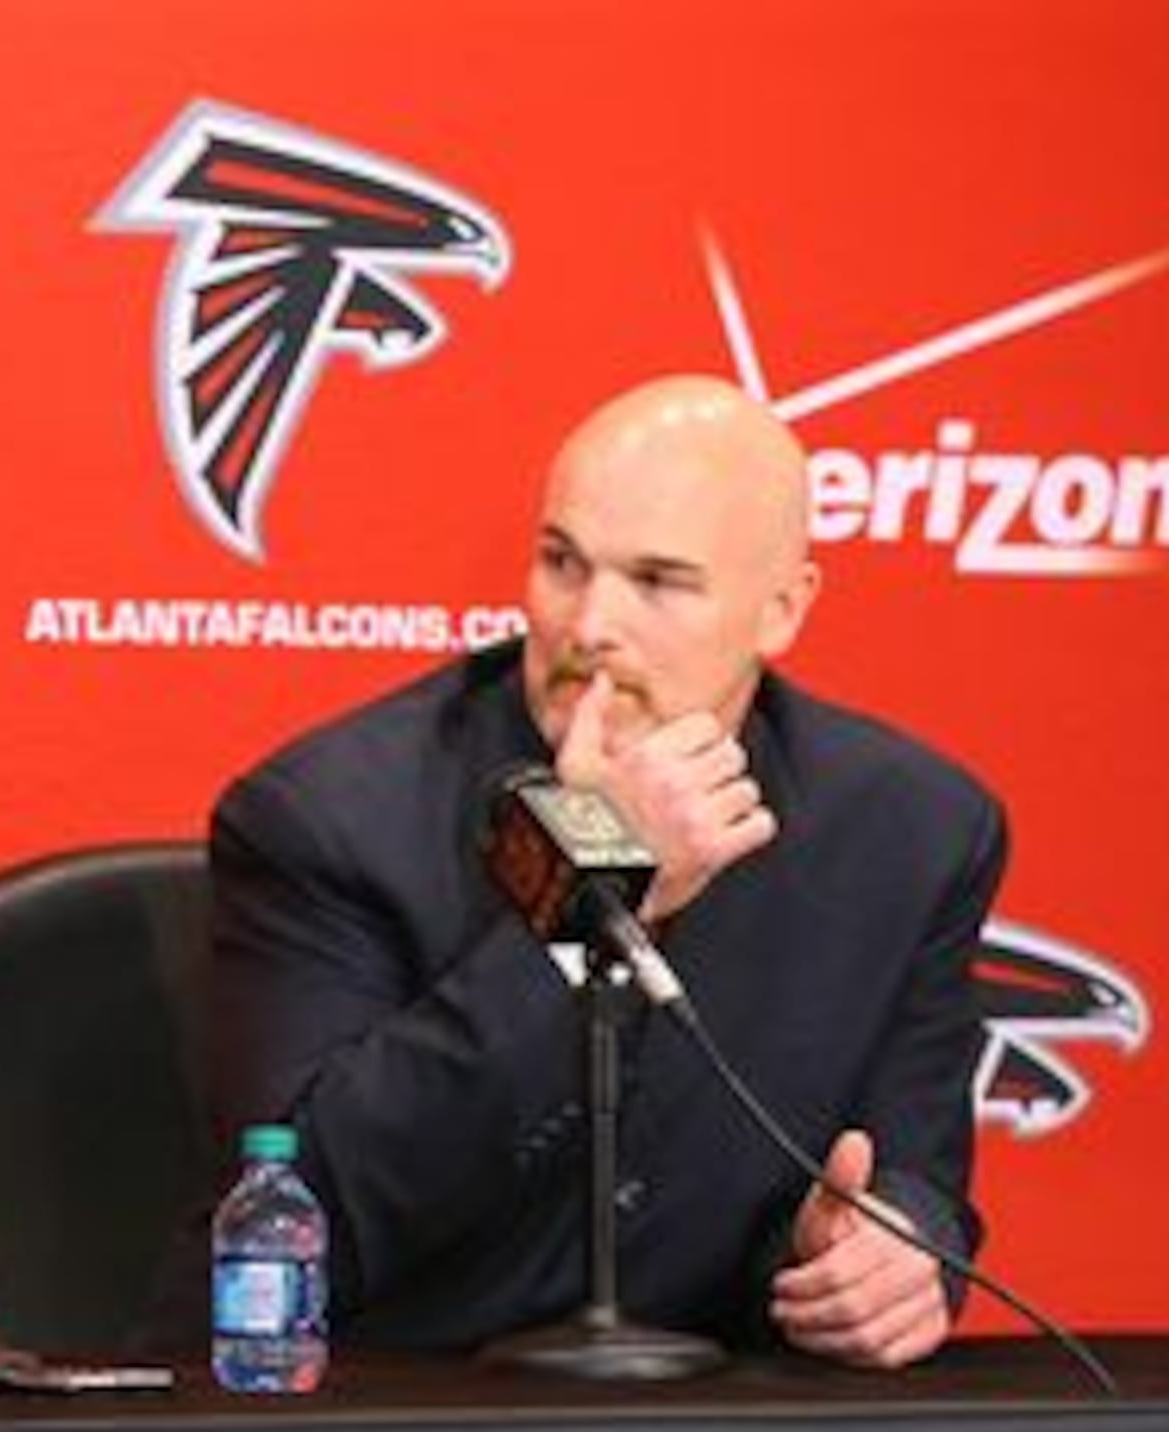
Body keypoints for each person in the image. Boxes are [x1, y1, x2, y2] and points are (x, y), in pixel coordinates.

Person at [208, 374, 1004, 1369]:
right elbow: (313, 1220)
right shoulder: (331, 816)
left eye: (659, 582)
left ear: (781, 609)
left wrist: (891, 1247)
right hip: (397, 1416)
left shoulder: (910, 829)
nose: (589, 625)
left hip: (730, 1429)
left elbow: (914, 1166)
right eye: (561, 563)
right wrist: (594, 883)